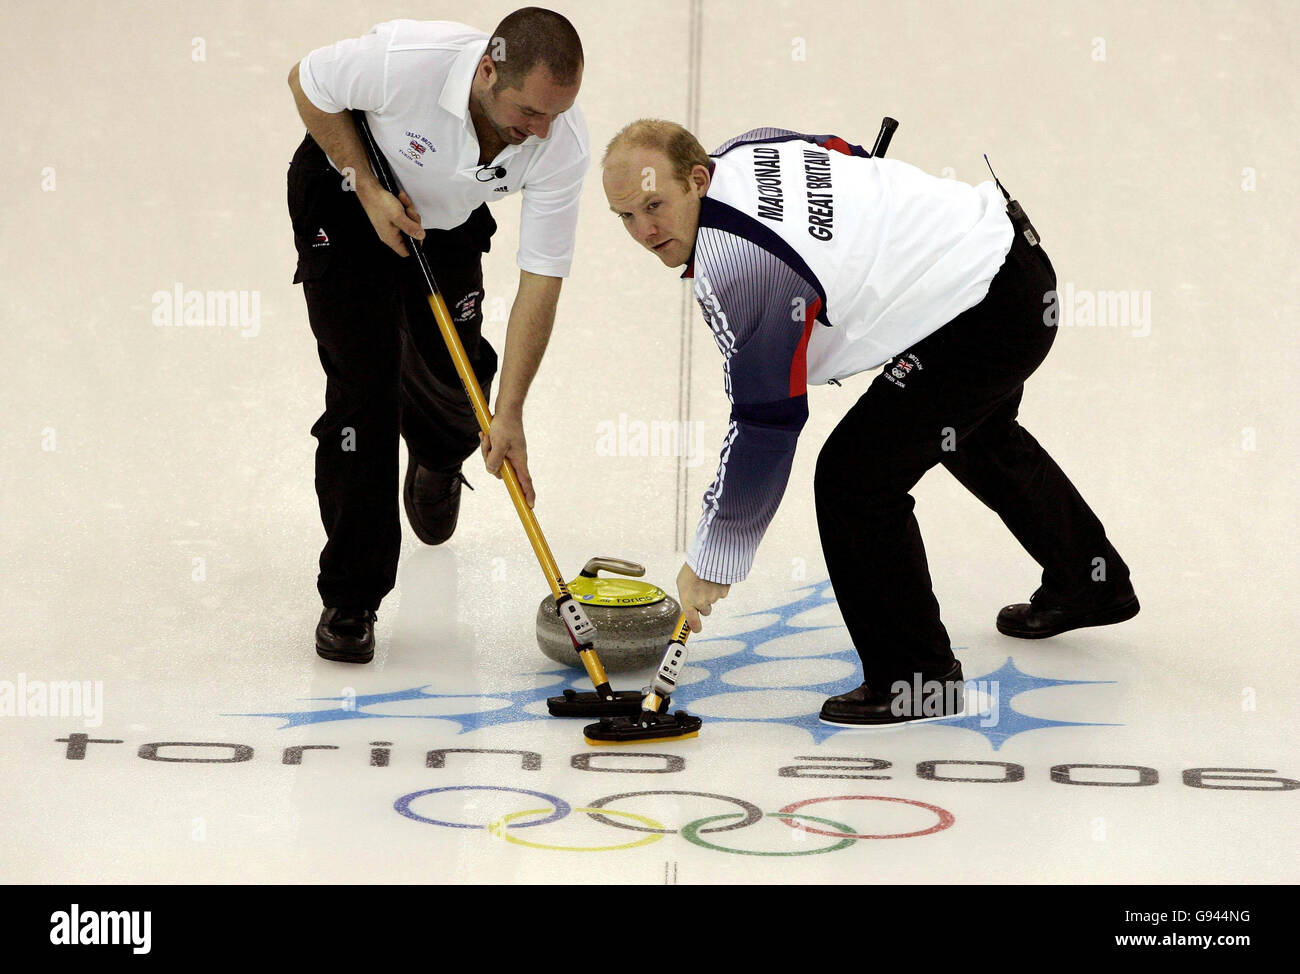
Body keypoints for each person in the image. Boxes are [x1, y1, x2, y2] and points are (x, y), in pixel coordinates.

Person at [601, 120, 1139, 726]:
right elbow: (844, 155)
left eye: (654, 206)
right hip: (1011, 260)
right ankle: (1090, 580)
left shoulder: (740, 265)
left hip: (986, 313)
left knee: (853, 479)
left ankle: (917, 677)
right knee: (972, 433)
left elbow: (767, 425)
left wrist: (714, 558)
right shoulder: (753, 148)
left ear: (698, 179)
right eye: (624, 216)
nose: (644, 231)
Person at [286, 10, 588, 663]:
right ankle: (351, 597)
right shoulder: (407, 60)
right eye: (530, 112)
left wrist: (509, 414)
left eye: (555, 116)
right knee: (363, 397)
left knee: (459, 396)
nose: (540, 132)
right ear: (486, 71)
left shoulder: (559, 144)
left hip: (445, 219)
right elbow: (307, 83)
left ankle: (438, 455)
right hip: (346, 194)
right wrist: (366, 187)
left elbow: (541, 278)